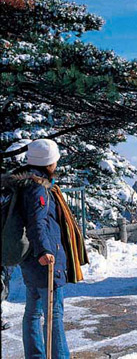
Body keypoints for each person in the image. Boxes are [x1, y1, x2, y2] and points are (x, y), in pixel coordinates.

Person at [14, 139, 88, 358]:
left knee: (33, 313)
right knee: (53, 314)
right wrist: (44, 252)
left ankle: (35, 355)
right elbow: (37, 223)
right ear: (48, 162)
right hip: (43, 259)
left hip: (29, 258)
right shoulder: (39, 189)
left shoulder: (25, 183)